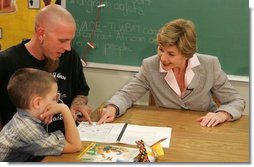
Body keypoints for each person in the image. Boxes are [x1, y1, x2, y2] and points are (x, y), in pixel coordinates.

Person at [97, 18, 245, 127]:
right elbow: (126, 94)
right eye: (161, 49)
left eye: (171, 54)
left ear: (187, 53)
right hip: (165, 129)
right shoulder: (150, 65)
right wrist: (112, 108)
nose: (163, 58)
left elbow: (236, 101)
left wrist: (222, 114)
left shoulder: (209, 65)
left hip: (203, 129)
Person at [0, 4, 92, 132]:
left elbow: (81, 91)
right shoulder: (6, 62)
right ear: (41, 33)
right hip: (28, 147)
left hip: (68, 141)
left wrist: (78, 105)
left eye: (70, 40)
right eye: (62, 41)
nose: (68, 47)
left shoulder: (70, 56)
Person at [0, 68, 82, 161]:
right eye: (54, 98)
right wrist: (65, 109)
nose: (57, 102)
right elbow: (75, 146)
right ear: (37, 103)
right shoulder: (27, 129)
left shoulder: (22, 117)